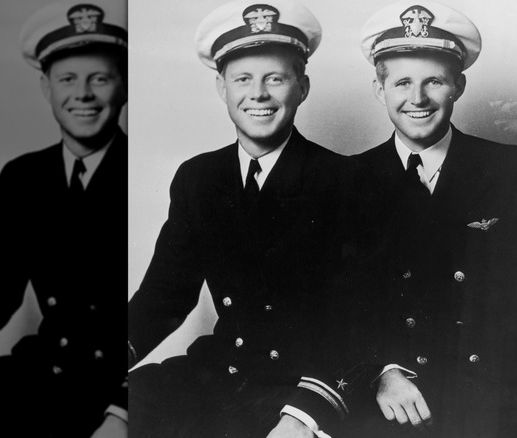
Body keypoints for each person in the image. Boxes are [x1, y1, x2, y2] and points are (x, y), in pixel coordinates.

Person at [127, 1, 350, 437]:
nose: (258, 94)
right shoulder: (199, 178)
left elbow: (361, 316)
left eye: (275, 78)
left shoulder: (345, 180)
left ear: (302, 87)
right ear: (221, 87)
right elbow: (167, 293)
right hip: (221, 371)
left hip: (301, 386)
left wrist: (307, 412)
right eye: (242, 79)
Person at [336, 2, 517, 437]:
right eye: (402, 82)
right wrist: (379, 371)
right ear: (380, 90)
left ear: (458, 85)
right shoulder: (347, 181)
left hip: (496, 399)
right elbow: (334, 304)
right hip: (391, 403)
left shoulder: (513, 170)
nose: (417, 99)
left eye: (433, 81)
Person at [0, 1, 128, 437]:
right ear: (45, 87)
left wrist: (124, 412)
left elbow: (164, 310)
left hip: (117, 388)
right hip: (44, 371)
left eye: (99, 79)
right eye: (67, 79)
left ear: (124, 86)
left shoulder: (147, 175)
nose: (82, 95)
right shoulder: (24, 178)